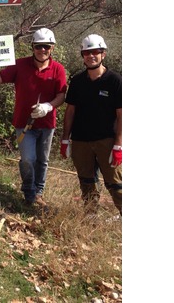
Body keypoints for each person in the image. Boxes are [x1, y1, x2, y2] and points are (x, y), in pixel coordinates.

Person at [0, 28, 67, 209]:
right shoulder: (20, 65)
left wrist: (48, 107)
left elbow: (61, 95)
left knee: (43, 160)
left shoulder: (58, 69)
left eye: (46, 46)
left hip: (47, 124)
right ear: (33, 47)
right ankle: (29, 191)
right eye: (38, 46)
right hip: (24, 124)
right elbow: (0, 77)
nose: (42, 50)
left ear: (52, 48)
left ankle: (38, 193)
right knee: (27, 159)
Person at [59, 34, 122, 219]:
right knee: (86, 180)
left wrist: (119, 144)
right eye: (86, 52)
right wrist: (65, 139)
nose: (91, 56)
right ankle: (90, 214)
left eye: (95, 52)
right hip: (81, 140)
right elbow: (70, 111)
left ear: (103, 54)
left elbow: (122, 114)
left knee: (114, 181)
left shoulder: (115, 80)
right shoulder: (78, 81)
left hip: (106, 140)